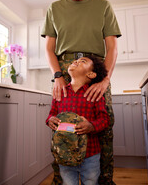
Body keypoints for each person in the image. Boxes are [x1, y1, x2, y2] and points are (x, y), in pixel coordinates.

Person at [41, 0, 121, 185]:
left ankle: (101, 180)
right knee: (63, 128)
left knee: (103, 126)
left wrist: (104, 80)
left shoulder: (103, 6)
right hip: (65, 70)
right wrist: (58, 75)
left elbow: (112, 46)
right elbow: (49, 48)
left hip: (96, 68)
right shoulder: (54, 8)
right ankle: (63, 180)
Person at [46, 56, 110, 185]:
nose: (76, 61)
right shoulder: (60, 92)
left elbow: (104, 119)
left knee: (91, 182)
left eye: (83, 61)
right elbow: (52, 114)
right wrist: (50, 120)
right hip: (65, 154)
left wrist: (91, 126)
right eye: (76, 60)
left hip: (90, 154)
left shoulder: (95, 94)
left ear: (91, 74)